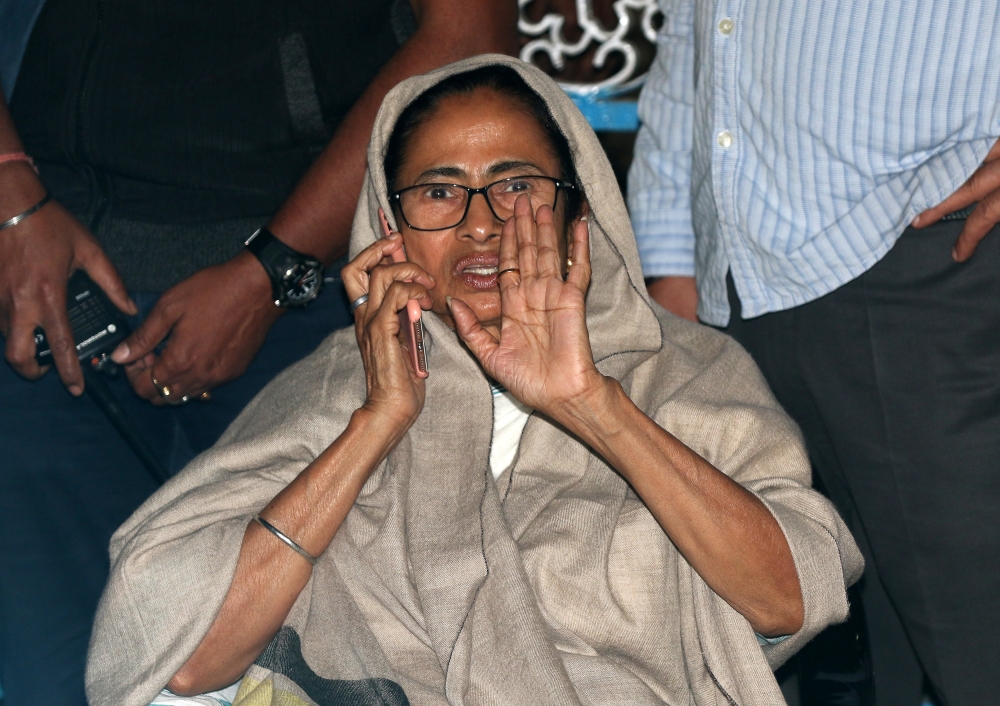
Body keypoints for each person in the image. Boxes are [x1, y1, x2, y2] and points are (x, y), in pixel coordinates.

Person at [86, 56, 862, 706]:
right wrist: (379, 421)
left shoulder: (685, 370)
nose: (483, 223)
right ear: (390, 234)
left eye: (518, 184)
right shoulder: (331, 391)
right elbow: (178, 658)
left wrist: (590, 403)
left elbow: (791, 598)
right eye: (439, 191)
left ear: (576, 215)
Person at [0, 2, 517, 703]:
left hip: (314, 297)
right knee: (42, 674)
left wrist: (276, 267)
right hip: (36, 271)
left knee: (318, 672)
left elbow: (468, 32)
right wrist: (8, 185)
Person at [627, 2, 1000, 704]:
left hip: (933, 255)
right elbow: (698, 29)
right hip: (731, 288)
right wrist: (674, 252)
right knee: (775, 664)